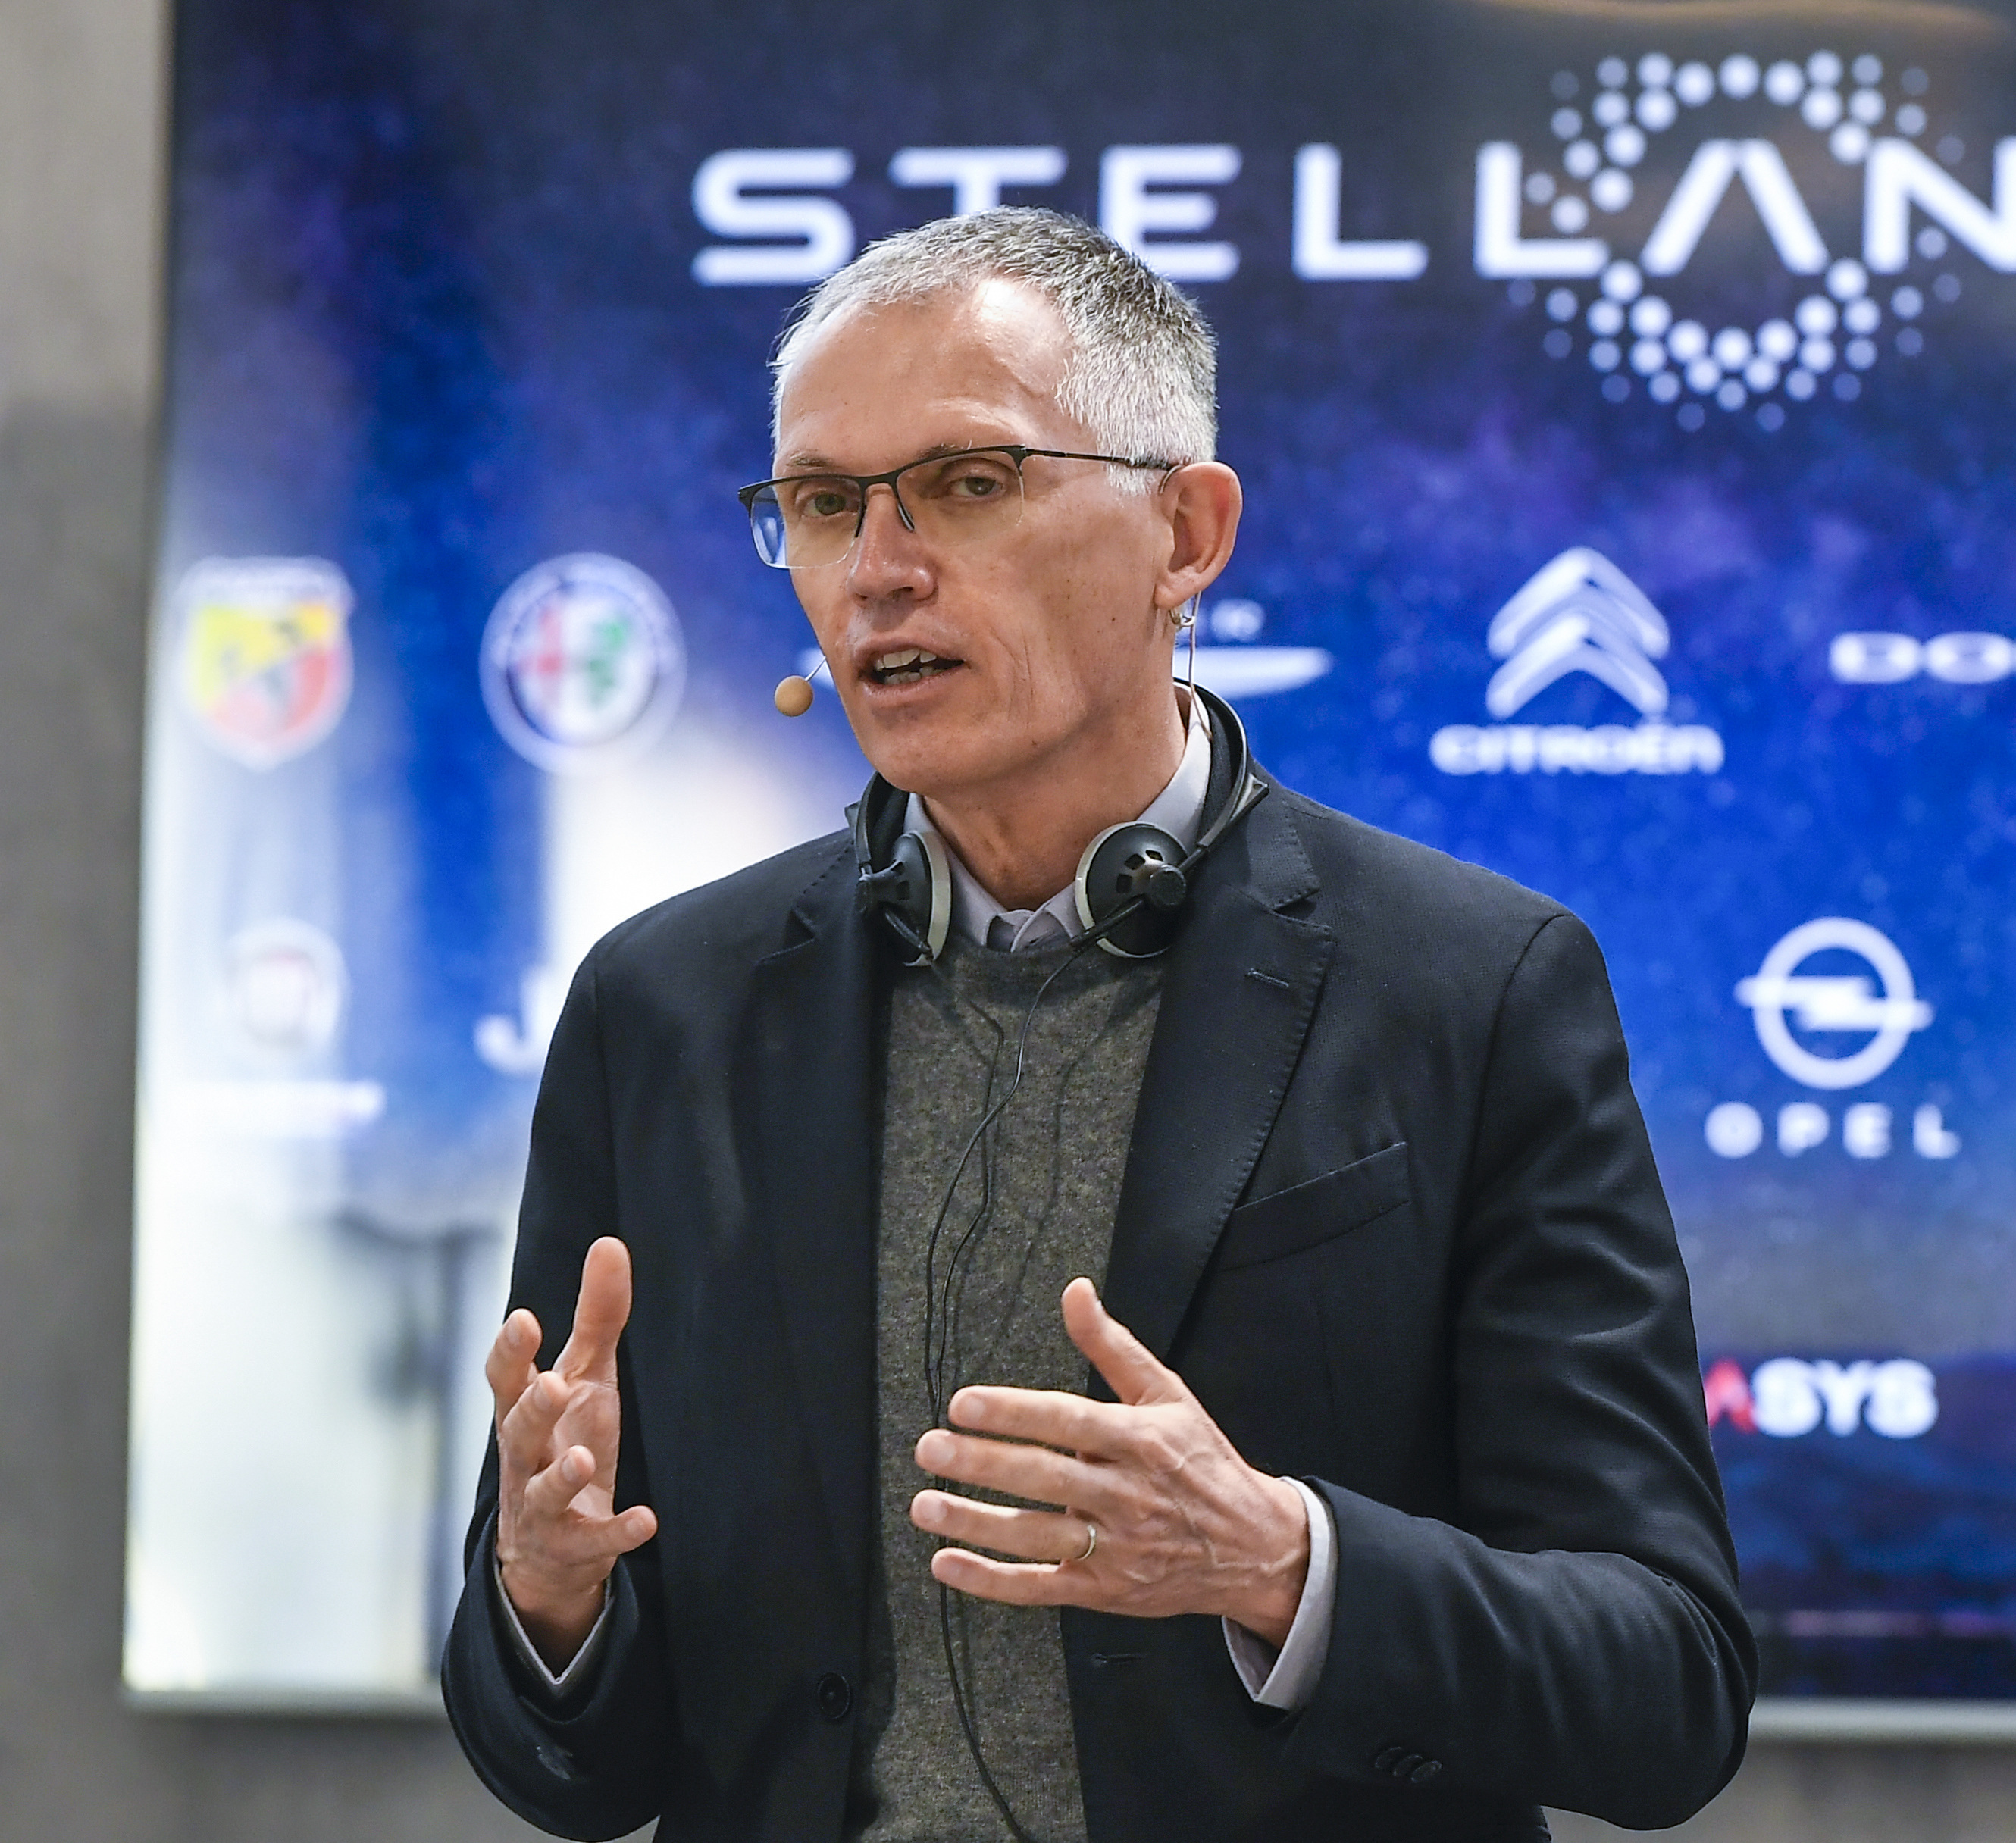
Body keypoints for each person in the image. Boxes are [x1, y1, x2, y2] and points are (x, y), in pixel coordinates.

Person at [440, 207, 1753, 1843]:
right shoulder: (667, 1008)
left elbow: (1667, 1687)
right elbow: (572, 1767)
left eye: (970, 484)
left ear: (1186, 533)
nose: (880, 567)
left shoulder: (1471, 987)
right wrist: (546, 1599)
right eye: (825, 505)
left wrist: (1283, 1564)